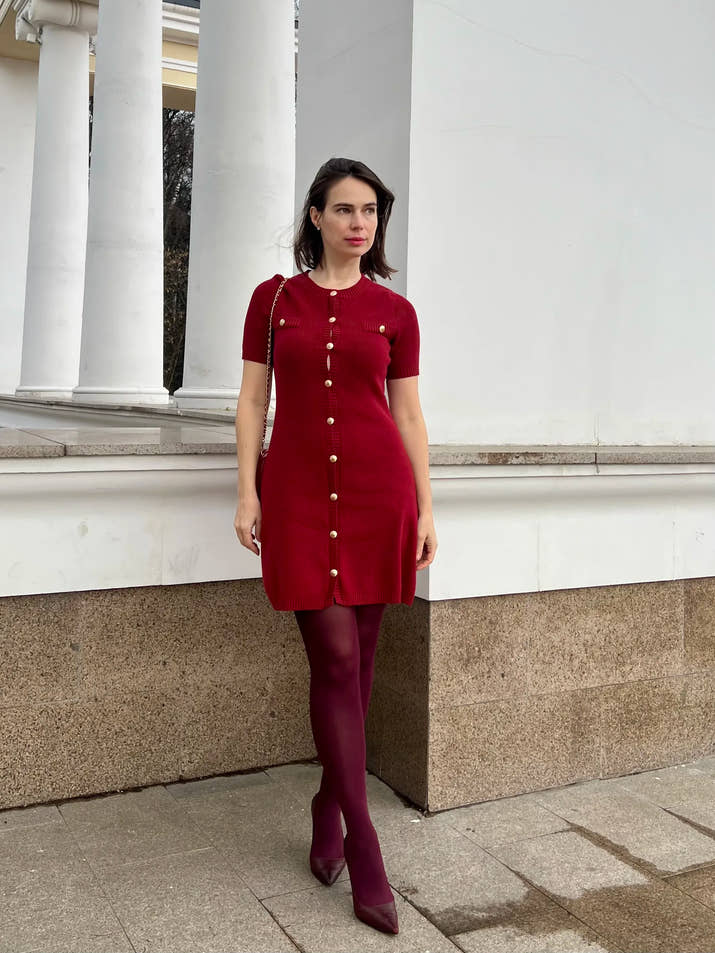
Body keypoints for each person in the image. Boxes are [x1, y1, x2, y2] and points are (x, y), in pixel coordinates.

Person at [234, 157, 437, 935]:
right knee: (338, 662)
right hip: (292, 492)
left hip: (377, 495)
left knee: (358, 670)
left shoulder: (395, 311)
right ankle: (366, 843)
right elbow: (254, 398)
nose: (359, 222)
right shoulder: (272, 300)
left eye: (371, 211)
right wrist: (246, 489)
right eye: (344, 209)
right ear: (314, 216)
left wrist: (425, 507)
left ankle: (328, 804)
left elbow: (409, 416)